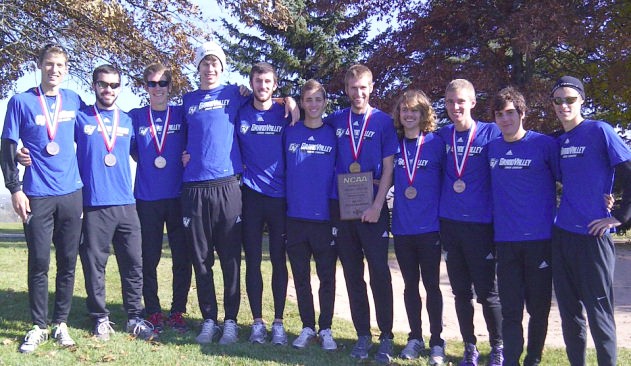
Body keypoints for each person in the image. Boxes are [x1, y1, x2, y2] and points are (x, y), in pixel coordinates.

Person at [1, 44, 84, 353]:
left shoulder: (74, 100)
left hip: (71, 194)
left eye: (60, 64)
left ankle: (61, 323)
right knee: (39, 262)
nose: (55, 69)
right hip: (36, 195)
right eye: (49, 64)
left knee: (67, 262)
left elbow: (93, 133)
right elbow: (8, 146)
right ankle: (39, 325)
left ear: (66, 68)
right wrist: (15, 188)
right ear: (39, 65)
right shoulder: (21, 102)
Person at [550, 75, 631, 366]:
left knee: (599, 314)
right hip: (562, 237)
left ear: (582, 100)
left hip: (593, 238)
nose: (563, 105)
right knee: (570, 314)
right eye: (558, 100)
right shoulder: (560, 142)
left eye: (570, 99)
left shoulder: (600, 131)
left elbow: (628, 171)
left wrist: (618, 216)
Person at [76, 64, 154, 341]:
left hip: (126, 204)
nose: (108, 89)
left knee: (134, 263)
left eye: (113, 85)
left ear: (120, 88)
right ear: (94, 85)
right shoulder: (80, 117)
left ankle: (134, 316)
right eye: (103, 84)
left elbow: (140, 154)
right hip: (95, 204)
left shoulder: (129, 120)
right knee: (95, 265)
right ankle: (100, 318)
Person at [327, 64, 397, 363]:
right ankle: (362, 335)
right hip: (343, 209)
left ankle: (386, 336)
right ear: (346, 89)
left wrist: (378, 205)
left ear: (371, 88)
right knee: (353, 275)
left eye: (363, 87)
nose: (358, 93)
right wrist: (286, 102)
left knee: (379, 273)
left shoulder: (383, 122)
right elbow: (306, 117)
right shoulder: (335, 120)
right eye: (353, 88)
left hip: (373, 207)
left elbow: (390, 167)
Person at [488, 87, 559, 366]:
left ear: (522, 113)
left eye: (510, 113)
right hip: (505, 241)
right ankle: (511, 359)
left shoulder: (544, 145)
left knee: (538, 308)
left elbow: (572, 179)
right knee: (511, 309)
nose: (505, 119)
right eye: (499, 114)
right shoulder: (491, 149)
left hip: (540, 240)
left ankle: (534, 357)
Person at [436, 79, 503, 366]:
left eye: (461, 101)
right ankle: (469, 346)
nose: (455, 107)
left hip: (481, 226)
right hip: (450, 225)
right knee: (461, 292)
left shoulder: (491, 133)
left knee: (488, 293)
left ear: (473, 102)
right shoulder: (441, 136)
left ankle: (498, 347)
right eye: (450, 102)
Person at [128, 63, 192, 334]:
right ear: (146, 87)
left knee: (182, 256)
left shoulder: (181, 114)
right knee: (148, 256)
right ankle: (153, 310)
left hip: (178, 197)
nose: (157, 88)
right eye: (152, 84)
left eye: (162, 83)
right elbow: (130, 151)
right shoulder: (134, 116)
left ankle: (177, 311)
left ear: (170, 87)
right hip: (147, 198)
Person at [390, 90, 446, 364]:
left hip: (430, 229)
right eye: (404, 110)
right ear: (399, 115)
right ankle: (415, 337)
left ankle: (437, 341)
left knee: (432, 286)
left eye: (414, 110)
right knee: (410, 286)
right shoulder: (394, 144)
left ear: (424, 114)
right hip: (402, 228)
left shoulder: (437, 143)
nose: (408, 114)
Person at [237, 62, 290, 345]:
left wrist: (291, 101)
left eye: (268, 81)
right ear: (252, 83)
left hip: (280, 197)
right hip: (251, 196)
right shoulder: (241, 110)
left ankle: (279, 323)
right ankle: (257, 322)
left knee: (279, 261)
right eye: (258, 81)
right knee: (254, 261)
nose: (263, 86)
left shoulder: (285, 111)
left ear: (275, 85)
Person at [284, 79, 338, 351]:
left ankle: (326, 328)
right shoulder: (290, 131)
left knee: (327, 276)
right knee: (301, 276)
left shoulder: (334, 132)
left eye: (318, 99)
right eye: (308, 100)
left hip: (325, 219)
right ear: (302, 103)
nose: (313, 104)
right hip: (295, 217)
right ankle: (307, 327)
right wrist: (286, 100)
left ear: (325, 102)